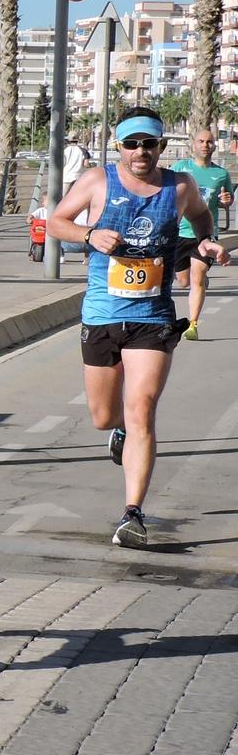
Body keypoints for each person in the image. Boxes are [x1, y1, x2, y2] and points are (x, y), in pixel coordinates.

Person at [47, 106, 229, 548]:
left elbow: (203, 218)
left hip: (153, 316)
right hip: (103, 313)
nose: (141, 152)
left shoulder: (180, 186)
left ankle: (132, 514)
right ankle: (119, 432)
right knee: (103, 416)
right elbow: (54, 222)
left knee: (142, 406)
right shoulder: (96, 181)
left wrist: (207, 241)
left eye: (149, 143)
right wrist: (88, 236)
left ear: (162, 147)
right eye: (132, 144)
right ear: (120, 147)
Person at [174, 128, 234, 340]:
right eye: (201, 141)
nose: (205, 145)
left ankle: (193, 324)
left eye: (209, 142)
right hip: (180, 232)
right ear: (193, 144)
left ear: (214, 145)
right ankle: (198, 282)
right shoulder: (180, 168)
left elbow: (226, 200)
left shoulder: (221, 174)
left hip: (206, 234)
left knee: (197, 275)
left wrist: (227, 201)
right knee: (183, 281)